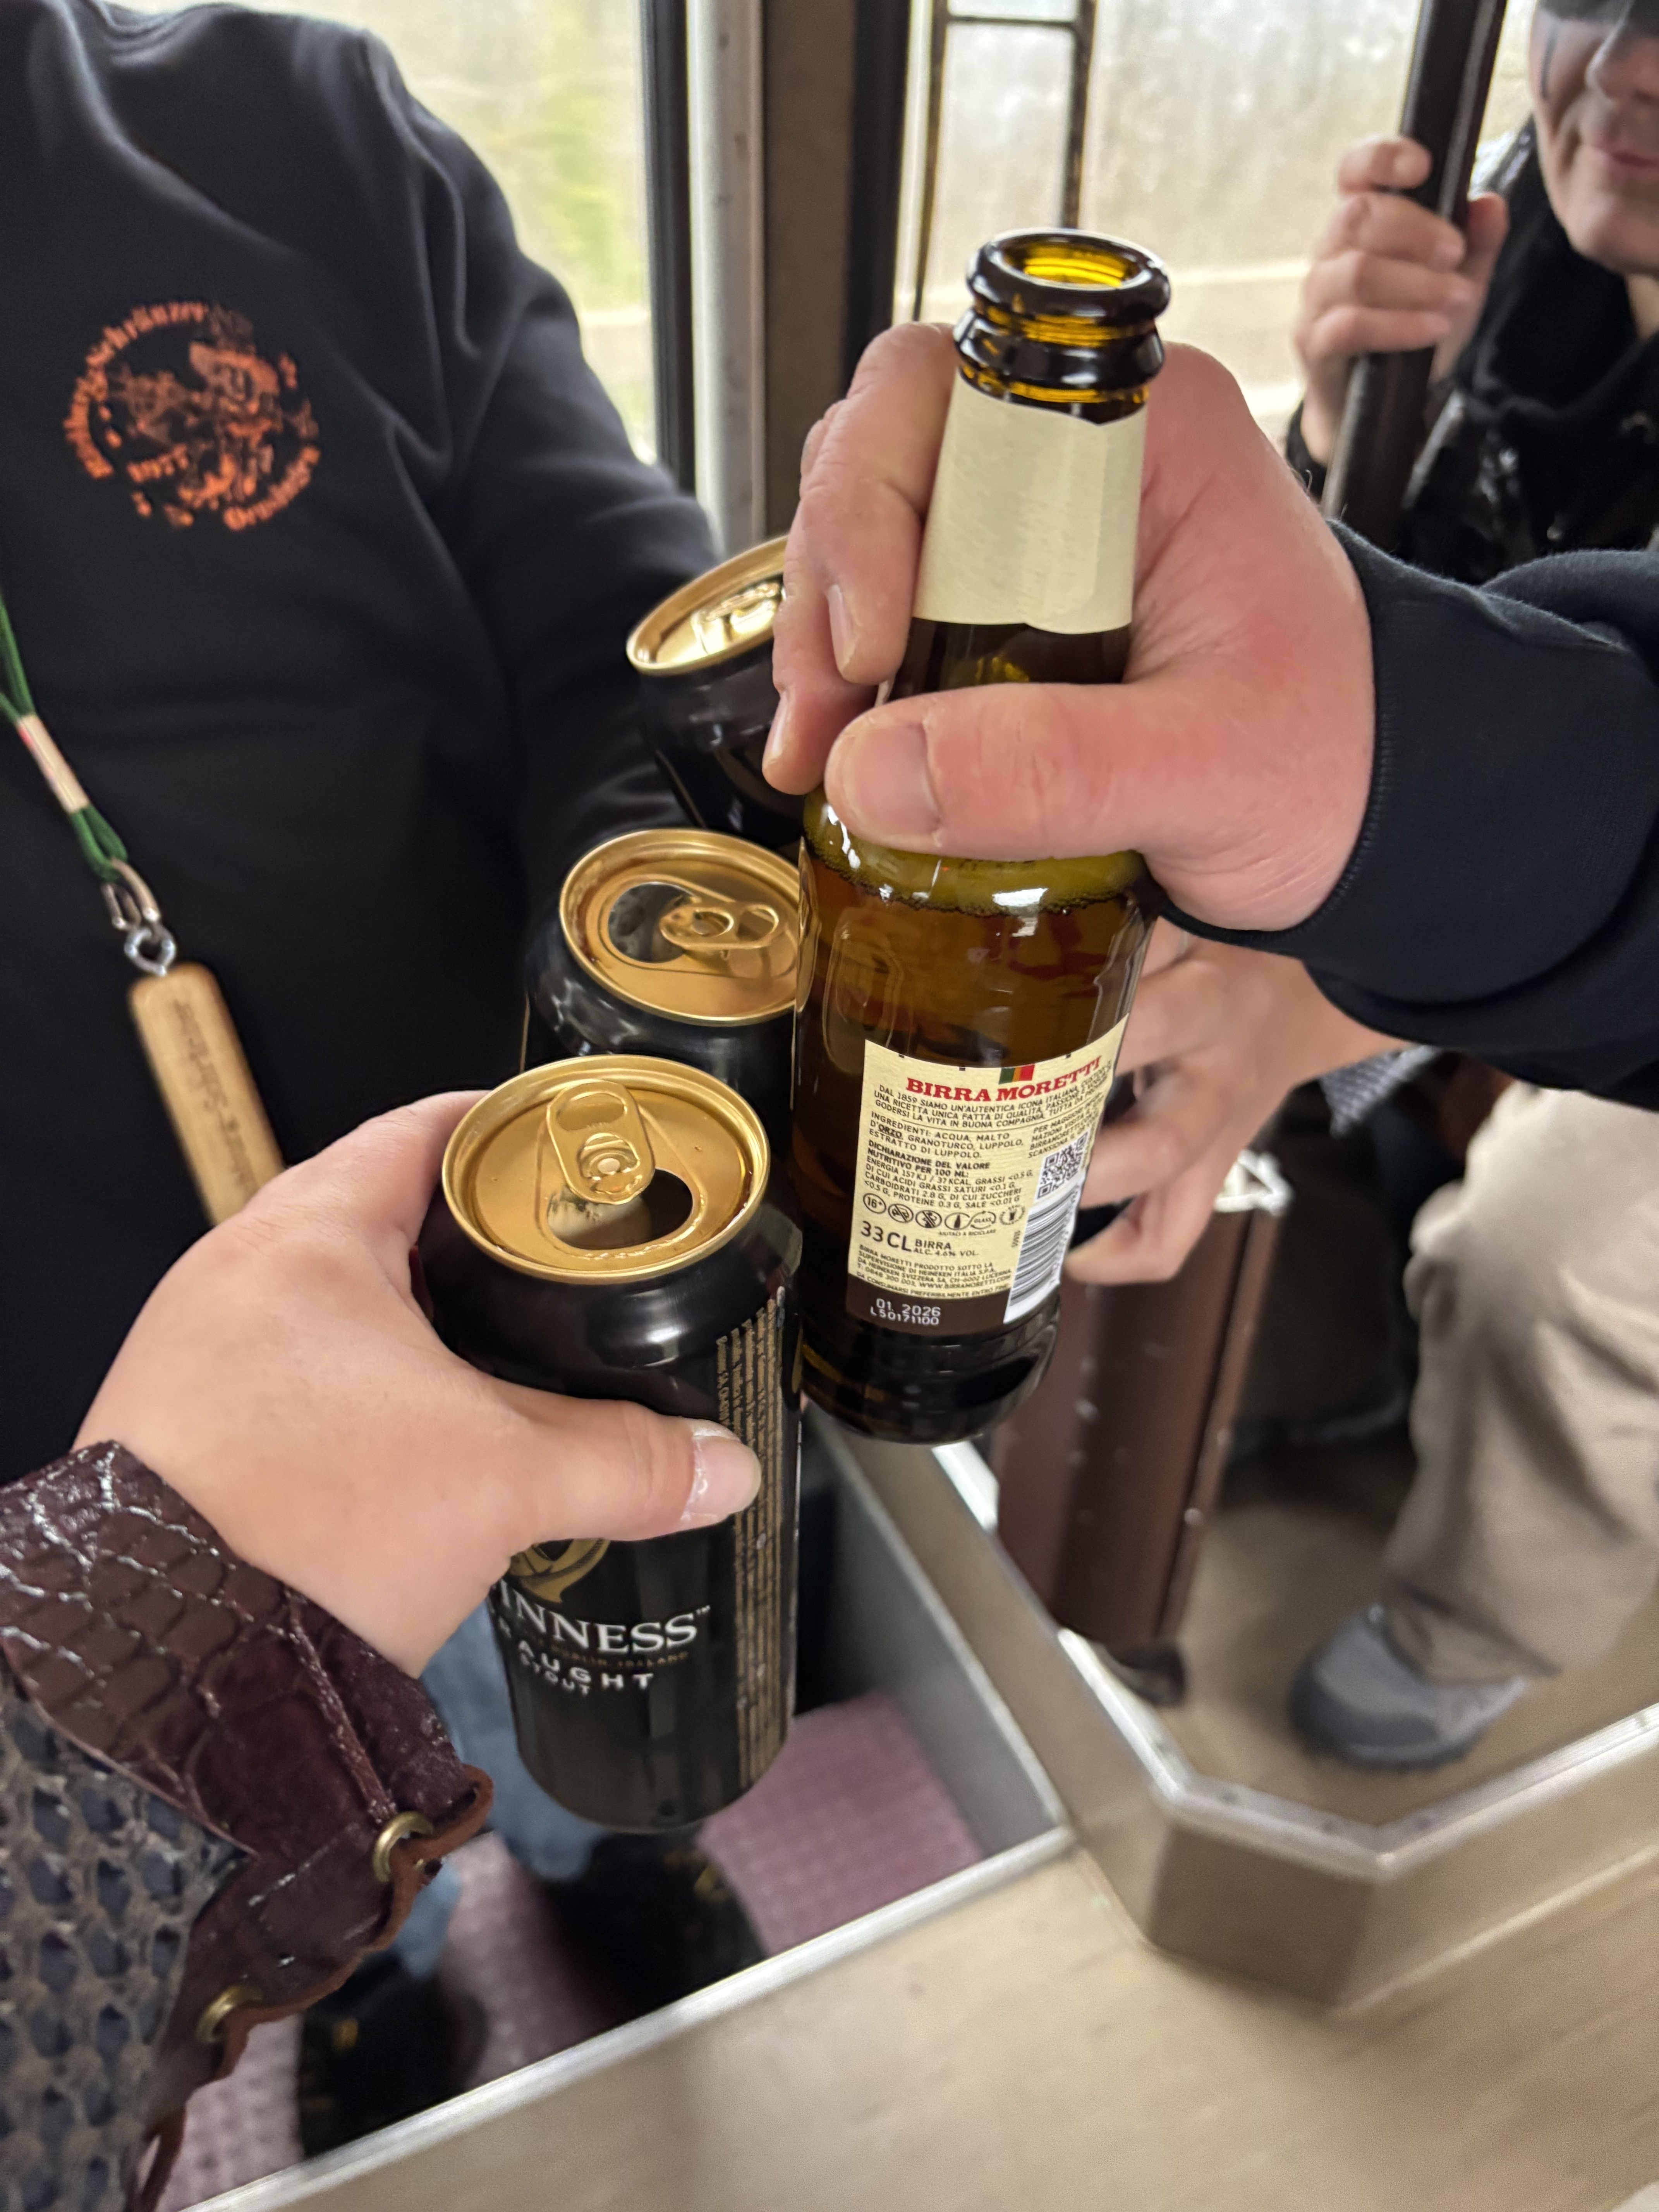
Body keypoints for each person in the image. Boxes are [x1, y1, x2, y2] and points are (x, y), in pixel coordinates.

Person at [0, 0, 746, 2147]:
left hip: (528, 1264)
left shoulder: (298, 125)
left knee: (600, 1683)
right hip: (97, 1472)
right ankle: (377, 1977)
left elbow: (632, 635)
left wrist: (643, 1044)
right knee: (286, 1830)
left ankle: (616, 1857)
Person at [761, 3, 1659, 1755]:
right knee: (1102, 1084)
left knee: (1554, 1260)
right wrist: (1340, 435)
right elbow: (1353, 633)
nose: (1627, 63)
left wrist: (1321, 982)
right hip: (1474, 856)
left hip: (1583, 961)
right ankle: (1184, 1450)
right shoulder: (1510, 247)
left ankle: (1477, 1623)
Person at [0, 1094, 761, 2212]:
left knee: (564, 1614)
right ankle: (375, 1965)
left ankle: (607, 1848)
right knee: (290, 1710)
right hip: (107, 1296)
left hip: (455, 1229)